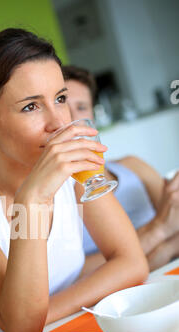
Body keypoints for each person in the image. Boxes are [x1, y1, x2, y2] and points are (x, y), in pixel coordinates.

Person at [0, 29, 148, 332]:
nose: (59, 122)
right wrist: (33, 198)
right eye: (32, 106)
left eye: (61, 99)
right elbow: (21, 326)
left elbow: (132, 263)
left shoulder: (71, 168)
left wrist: (46, 315)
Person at [62, 65, 179, 274]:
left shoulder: (133, 166)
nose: (73, 119)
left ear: (93, 117)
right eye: (62, 105)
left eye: (81, 107)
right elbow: (74, 276)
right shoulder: (55, 197)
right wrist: (159, 230)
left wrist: (166, 249)